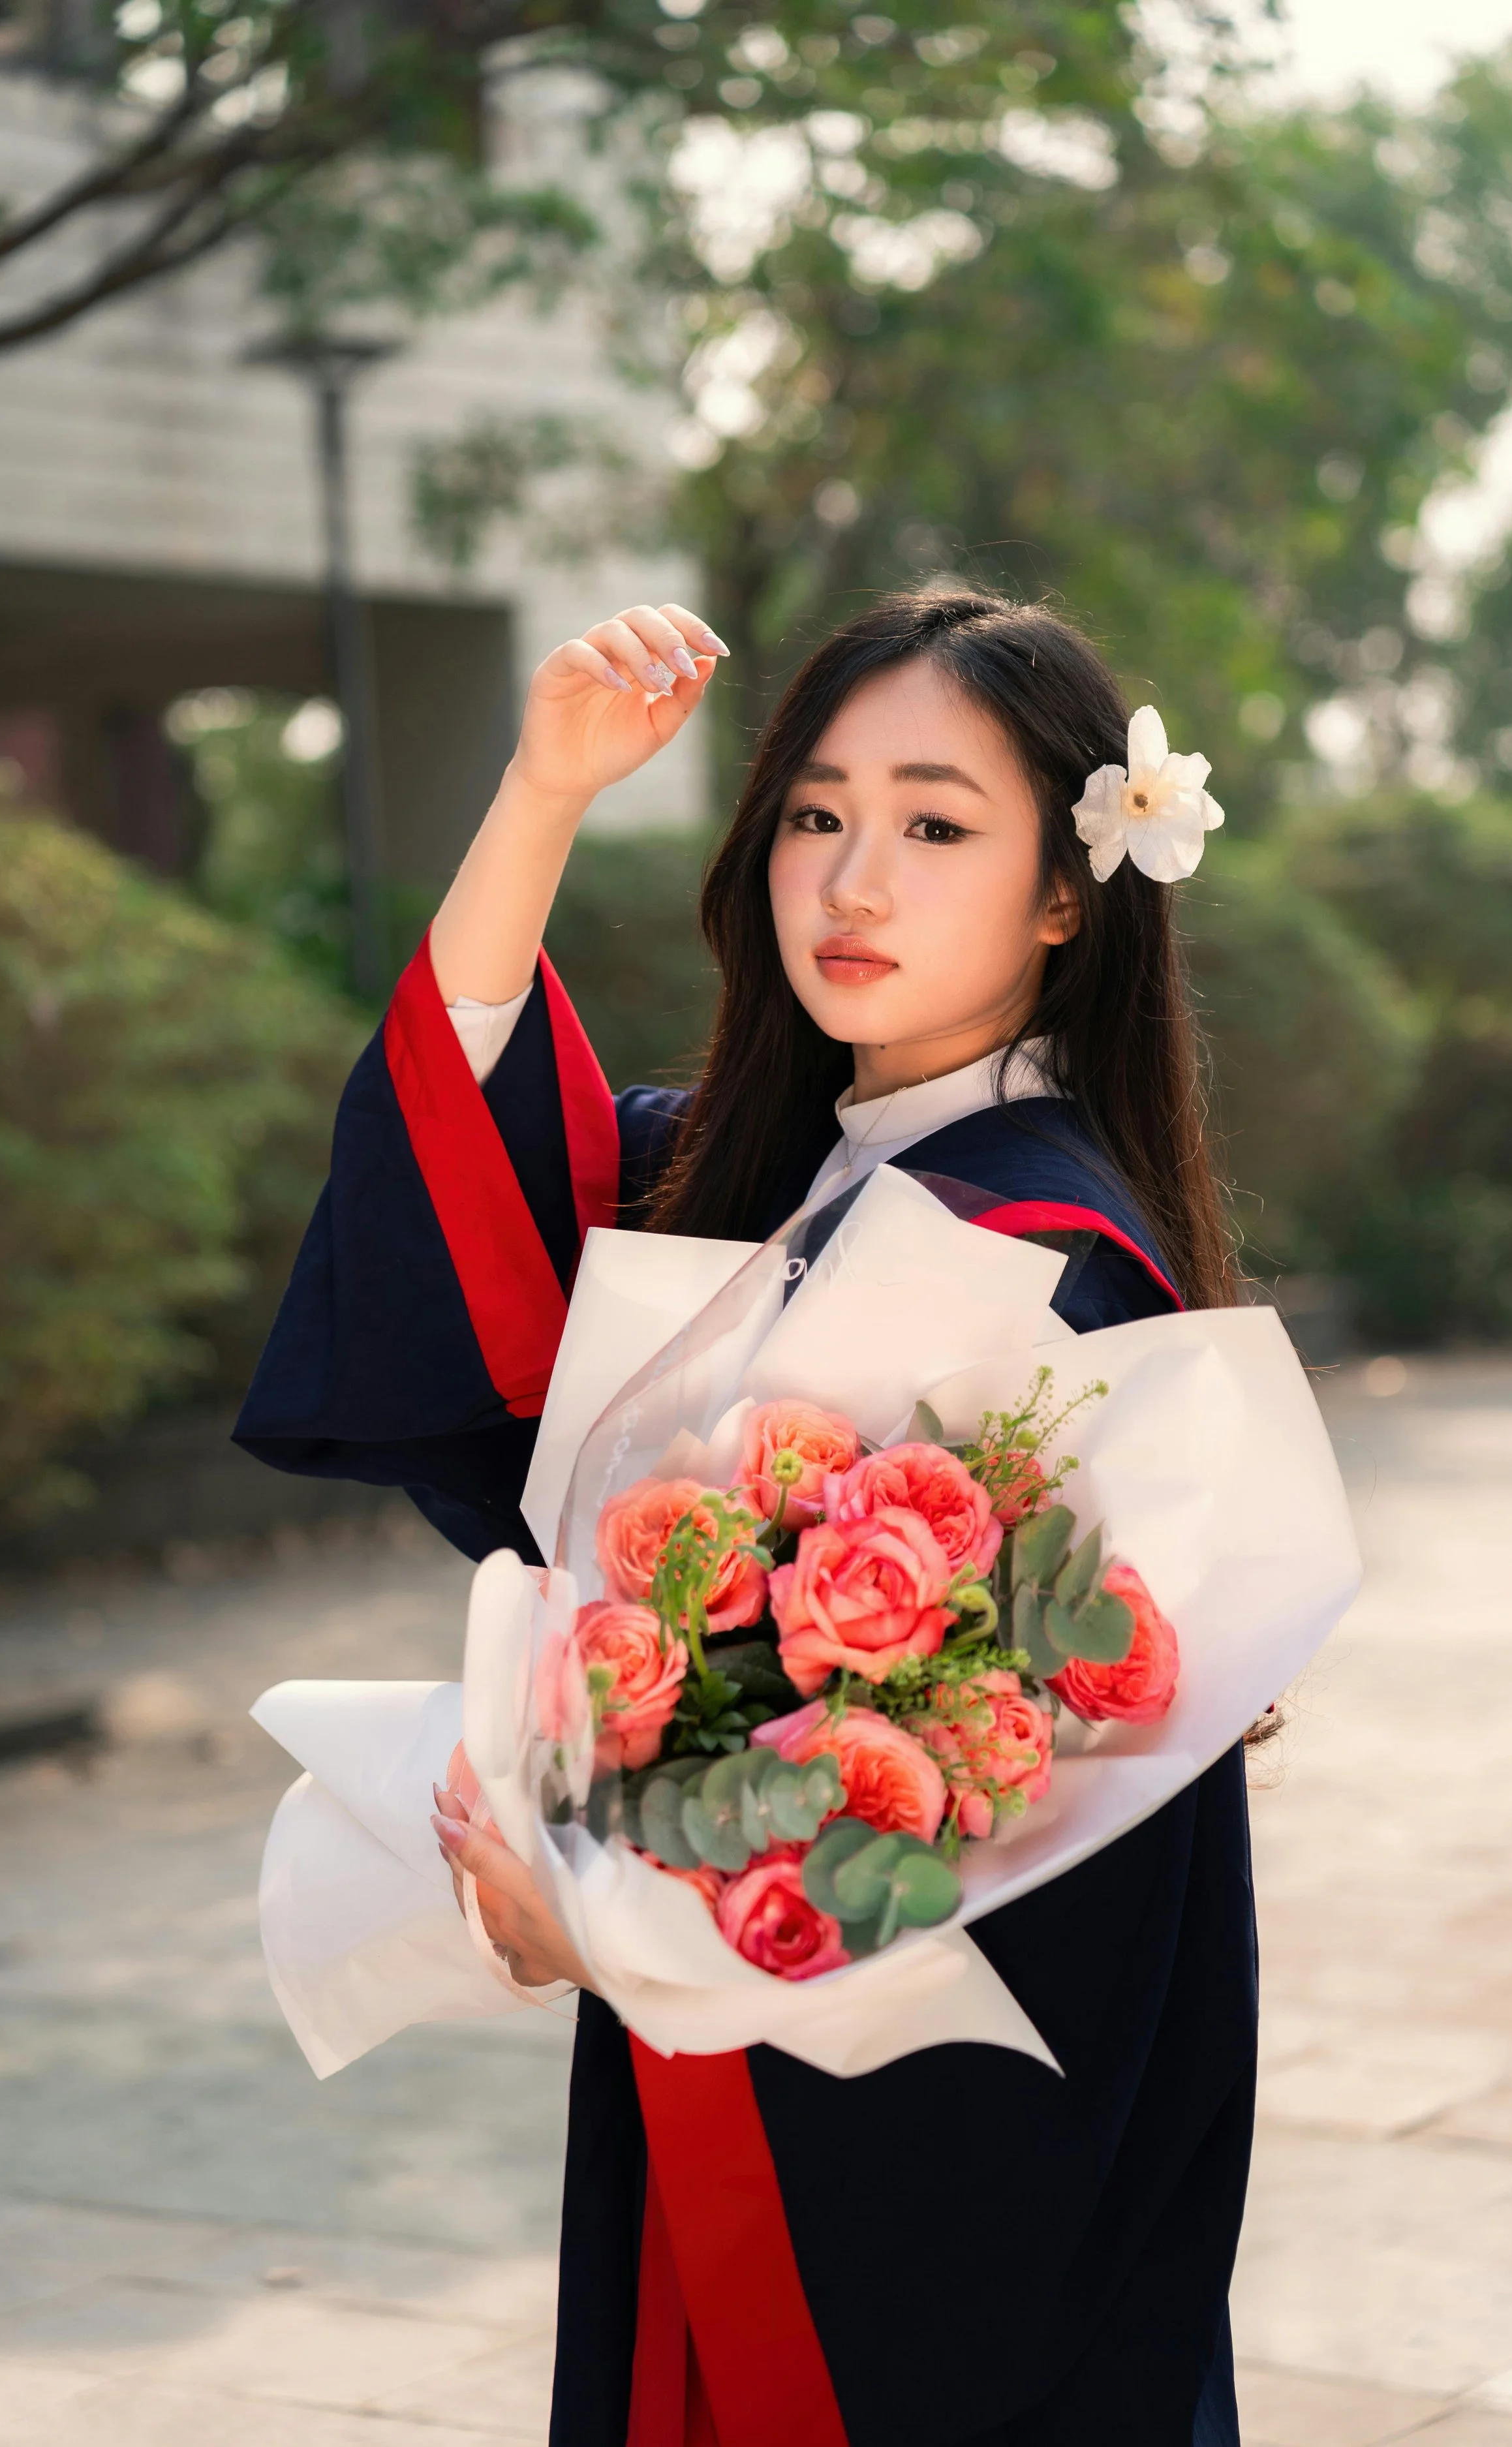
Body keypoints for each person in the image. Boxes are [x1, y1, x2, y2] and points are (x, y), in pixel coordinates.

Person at [238, 585, 1253, 2447]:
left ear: (1063, 891)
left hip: (931, 2115)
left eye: (934, 824)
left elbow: (966, 1763)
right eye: (813, 812)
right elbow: (469, 1166)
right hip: (730, 2050)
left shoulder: (1050, 1260)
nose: (852, 879)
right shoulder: (753, 1171)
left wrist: (612, 1918)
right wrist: (540, 792)